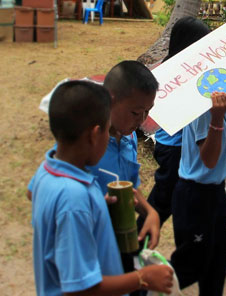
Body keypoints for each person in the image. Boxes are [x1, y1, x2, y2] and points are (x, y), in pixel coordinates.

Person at [143, 16, 226, 274]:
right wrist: (218, 120)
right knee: (165, 202)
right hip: (176, 150)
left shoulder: (196, 80)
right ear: (188, 45)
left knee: (204, 203)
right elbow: (205, 147)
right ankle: (137, 247)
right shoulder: (174, 78)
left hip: (188, 149)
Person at [30, 80, 173, 296]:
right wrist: (143, 277)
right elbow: (80, 289)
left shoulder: (48, 171)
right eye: (107, 131)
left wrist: (95, 207)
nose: (110, 138)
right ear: (94, 134)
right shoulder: (73, 198)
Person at [88, 61, 163, 296]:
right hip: (91, 250)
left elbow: (130, 188)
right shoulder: (83, 143)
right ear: (110, 99)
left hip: (120, 243)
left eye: (147, 112)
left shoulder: (128, 138)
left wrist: (150, 212)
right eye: (135, 112)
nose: (141, 119)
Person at [171, 89, 226, 295]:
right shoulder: (204, 109)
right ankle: (145, 288)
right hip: (196, 195)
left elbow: (220, 137)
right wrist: (217, 118)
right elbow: (209, 159)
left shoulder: (215, 106)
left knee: (217, 261)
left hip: (214, 192)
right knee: (193, 261)